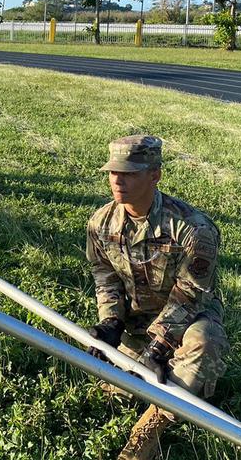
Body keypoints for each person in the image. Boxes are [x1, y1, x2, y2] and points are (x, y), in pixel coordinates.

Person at [85, 135, 228, 460]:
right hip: (136, 326)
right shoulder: (100, 223)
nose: (117, 181)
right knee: (114, 394)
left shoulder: (193, 229)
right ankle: (157, 382)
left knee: (206, 342)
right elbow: (104, 276)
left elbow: (190, 294)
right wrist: (110, 322)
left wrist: (159, 346)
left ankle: (151, 427)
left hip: (186, 324)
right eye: (112, 172)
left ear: (155, 175)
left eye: (130, 173)